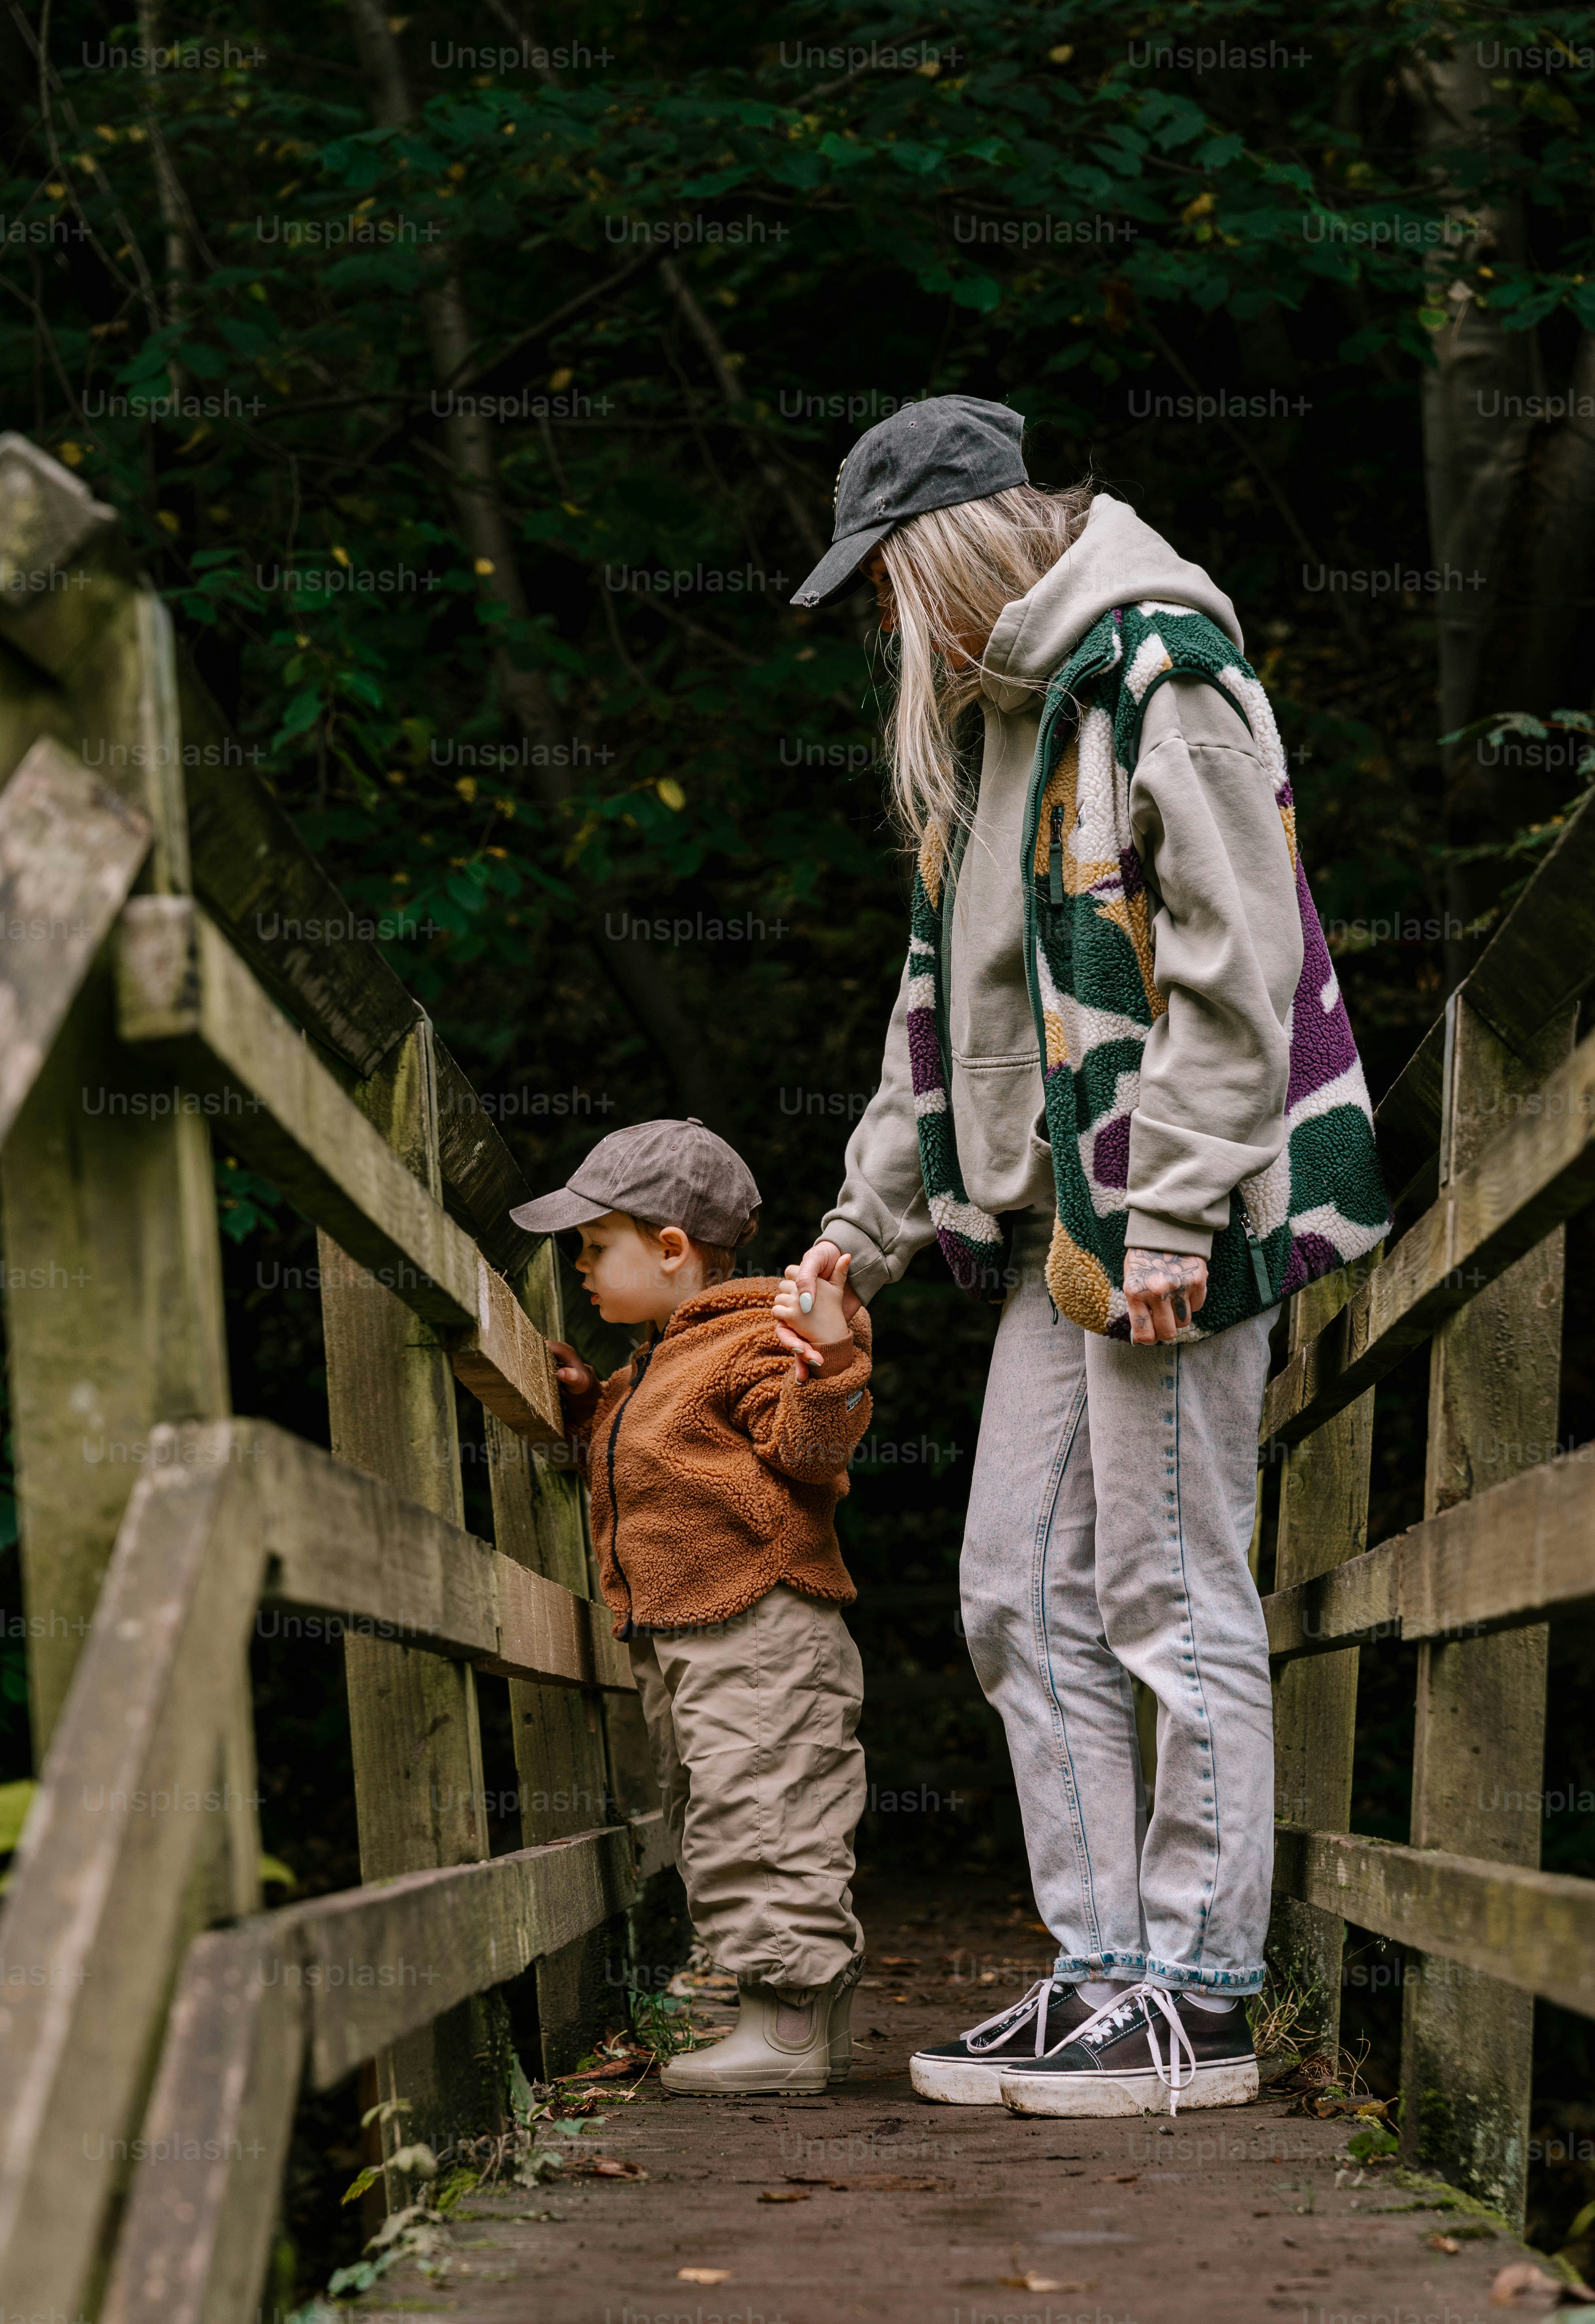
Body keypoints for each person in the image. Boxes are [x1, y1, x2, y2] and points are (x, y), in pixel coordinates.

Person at [780, 396, 1387, 2116]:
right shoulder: (998, 727)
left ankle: (1194, 1992)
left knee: (1166, 1588)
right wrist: (854, 1232)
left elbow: (1233, 958)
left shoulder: (1160, 669)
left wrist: (1177, 1205)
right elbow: (943, 1023)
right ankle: (1099, 1968)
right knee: (1009, 1585)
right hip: (1066, 1228)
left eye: (892, 587)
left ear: (950, 551)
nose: (895, 629)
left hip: (1173, 1219)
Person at [509, 1117, 873, 2095]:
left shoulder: (762, 1337)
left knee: (768, 1810)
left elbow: (809, 1450)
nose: (582, 1268)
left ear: (671, 1248)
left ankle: (785, 2022)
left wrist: (829, 1362)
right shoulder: (657, 1362)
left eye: (595, 1247)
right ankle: (806, 2021)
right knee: (729, 1807)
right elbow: (660, 1469)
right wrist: (592, 1410)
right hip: (702, 1633)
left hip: (761, 1626)